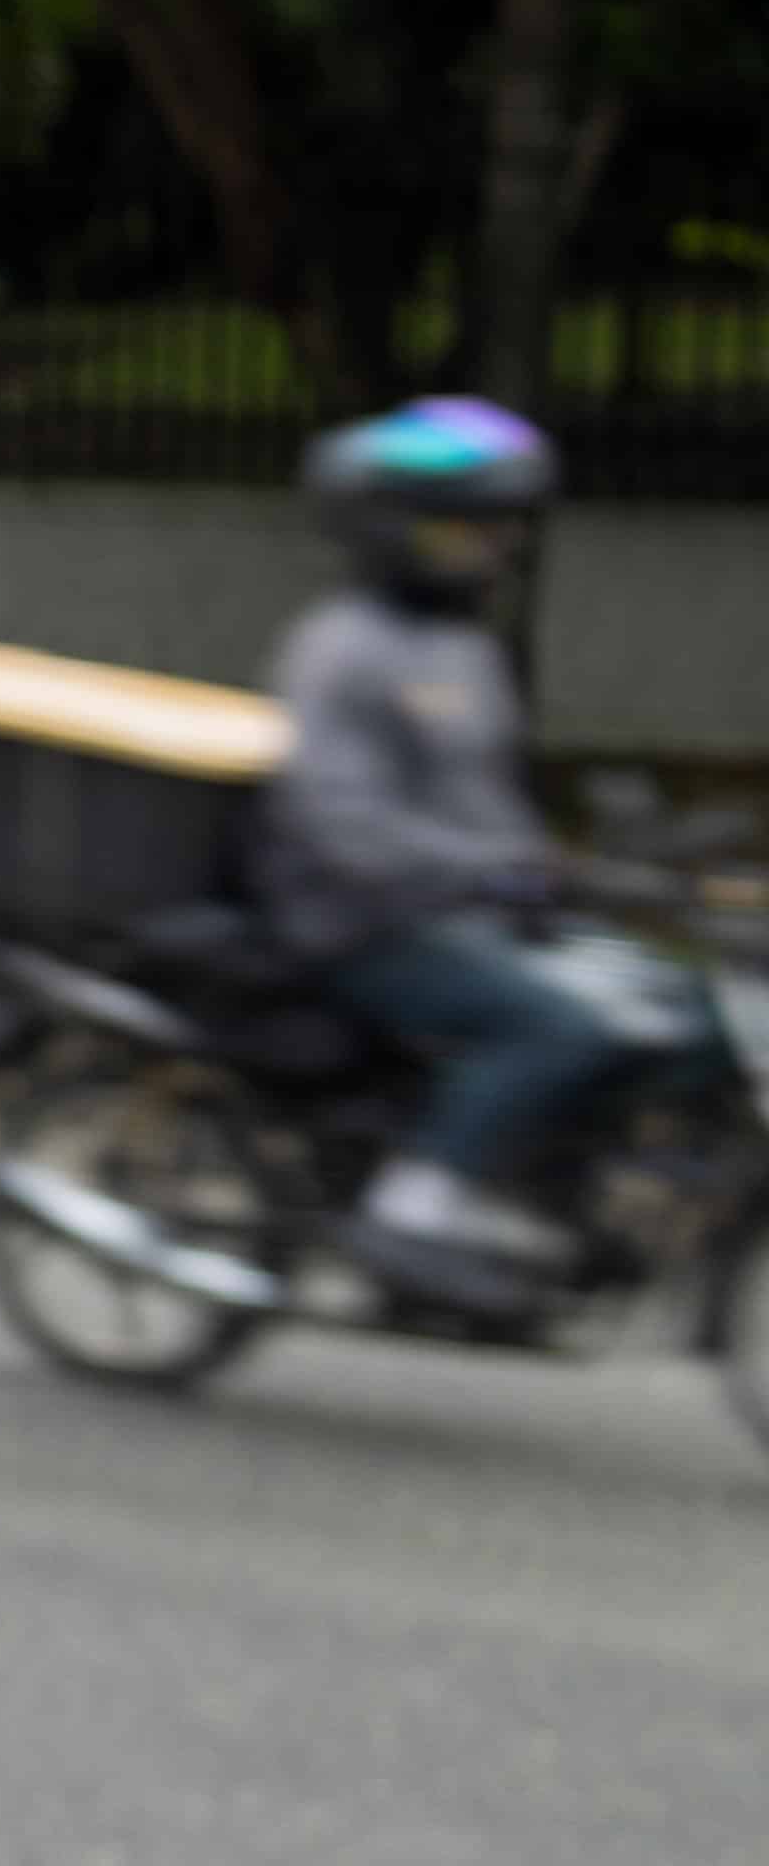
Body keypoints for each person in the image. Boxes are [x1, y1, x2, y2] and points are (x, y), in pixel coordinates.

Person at [261, 397, 624, 1311]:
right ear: (396, 530)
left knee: (643, 1007)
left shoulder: (460, 649)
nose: (495, 548)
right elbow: (344, 824)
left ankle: (536, 1198)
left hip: (452, 913)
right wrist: (485, 872)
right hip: (359, 924)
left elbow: (482, 802)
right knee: (556, 1028)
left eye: (502, 527)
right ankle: (413, 1211)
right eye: (470, 528)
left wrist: (545, 870)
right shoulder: (343, 650)